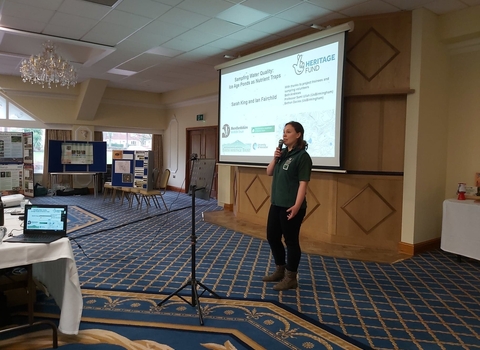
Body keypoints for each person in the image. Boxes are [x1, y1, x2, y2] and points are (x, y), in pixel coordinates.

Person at [263, 121, 312, 291]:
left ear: (298, 135)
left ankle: (291, 277)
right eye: (284, 132)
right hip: (276, 204)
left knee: (291, 241)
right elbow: (269, 172)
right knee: (272, 236)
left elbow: (303, 184)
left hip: (291, 206)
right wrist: (274, 158)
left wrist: (297, 206)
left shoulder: (302, 157)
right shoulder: (282, 153)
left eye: (288, 132)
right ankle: (280, 269)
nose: (284, 135)